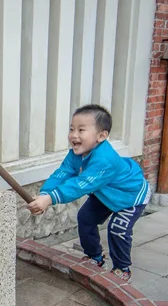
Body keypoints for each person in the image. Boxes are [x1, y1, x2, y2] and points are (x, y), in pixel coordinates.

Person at [27, 104, 151, 282]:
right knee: (85, 218)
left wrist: (50, 199)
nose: (74, 135)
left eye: (81, 130)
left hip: (130, 196)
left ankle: (122, 268)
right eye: (72, 129)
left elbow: (80, 185)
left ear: (102, 135)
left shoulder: (105, 159)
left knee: (118, 228)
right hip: (106, 193)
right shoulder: (76, 154)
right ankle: (95, 258)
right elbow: (62, 174)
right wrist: (44, 193)